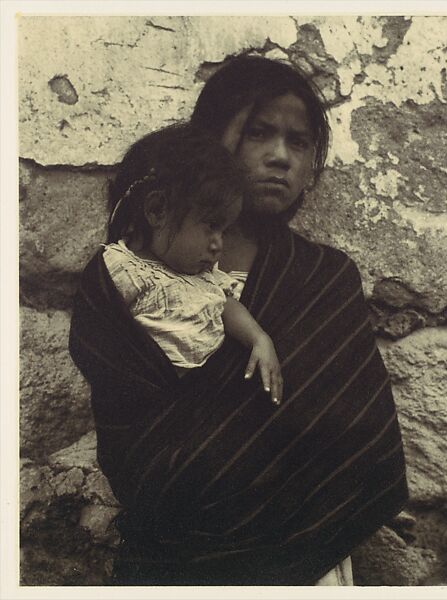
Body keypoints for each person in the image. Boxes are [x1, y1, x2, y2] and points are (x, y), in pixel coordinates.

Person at [69, 55, 408, 586]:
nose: (280, 157)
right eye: (259, 133)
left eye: (298, 143)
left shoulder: (323, 280)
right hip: (171, 560)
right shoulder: (122, 278)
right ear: (211, 139)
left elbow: (351, 431)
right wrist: (203, 467)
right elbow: (129, 424)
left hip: (301, 557)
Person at [103, 124, 282, 404]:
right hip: (150, 406)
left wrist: (259, 339)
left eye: (224, 231)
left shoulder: (203, 277)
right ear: (156, 210)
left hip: (204, 403)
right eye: (211, 226)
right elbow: (104, 331)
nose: (218, 243)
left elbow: (224, 305)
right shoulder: (123, 269)